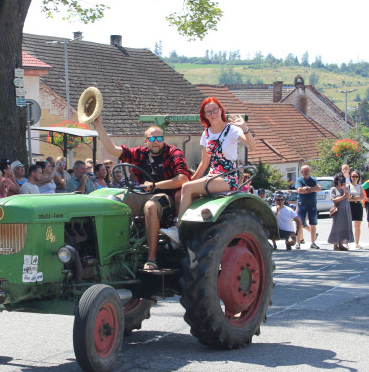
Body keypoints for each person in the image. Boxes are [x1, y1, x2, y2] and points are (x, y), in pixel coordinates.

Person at [93, 114, 191, 270]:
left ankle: (151, 258)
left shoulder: (173, 153)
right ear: (146, 141)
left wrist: (155, 185)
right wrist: (98, 125)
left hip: (168, 197)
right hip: (143, 194)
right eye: (152, 139)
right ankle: (110, 251)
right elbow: (113, 149)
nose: (156, 142)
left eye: (159, 138)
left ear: (163, 139)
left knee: (150, 206)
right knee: (113, 201)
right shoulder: (140, 153)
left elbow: (183, 179)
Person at [178, 97, 253, 217]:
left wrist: (245, 129)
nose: (213, 114)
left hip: (228, 176)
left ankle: (177, 228)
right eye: (209, 112)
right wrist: (191, 180)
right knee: (182, 191)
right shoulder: (207, 133)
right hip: (212, 176)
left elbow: (251, 146)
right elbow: (204, 163)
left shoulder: (233, 129)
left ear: (221, 110)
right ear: (205, 115)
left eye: (215, 110)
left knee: (187, 188)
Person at [296, 165, 321, 250]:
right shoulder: (299, 180)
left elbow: (319, 188)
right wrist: (312, 189)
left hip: (312, 205)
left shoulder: (313, 179)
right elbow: (299, 190)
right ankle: (298, 242)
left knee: (313, 224)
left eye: (307, 171)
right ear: (301, 172)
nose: (306, 172)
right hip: (302, 204)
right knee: (299, 223)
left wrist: (307, 188)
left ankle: (313, 243)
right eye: (304, 171)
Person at [328, 173, 353, 251]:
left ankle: (341, 244)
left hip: (346, 209)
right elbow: (334, 199)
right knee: (336, 227)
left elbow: (348, 196)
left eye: (342, 179)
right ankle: (335, 245)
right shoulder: (333, 189)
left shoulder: (346, 188)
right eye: (339, 179)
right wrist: (343, 197)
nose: (340, 181)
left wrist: (344, 188)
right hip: (337, 210)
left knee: (345, 226)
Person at [348, 170, 365, 249]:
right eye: (353, 176)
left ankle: (356, 243)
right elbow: (347, 198)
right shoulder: (348, 186)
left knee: (357, 225)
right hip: (349, 206)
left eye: (356, 176)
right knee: (348, 225)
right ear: (350, 177)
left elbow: (362, 197)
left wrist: (353, 197)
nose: (354, 178)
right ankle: (346, 243)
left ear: (358, 178)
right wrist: (356, 197)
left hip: (358, 206)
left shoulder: (360, 187)